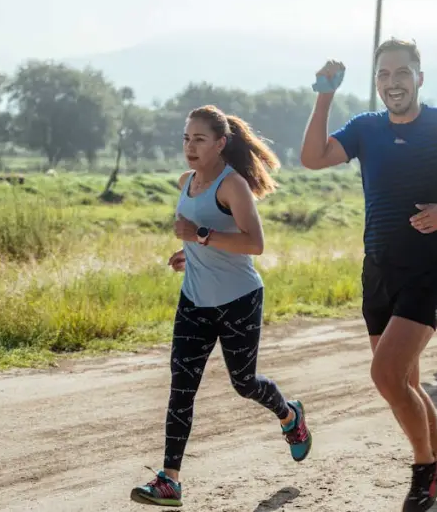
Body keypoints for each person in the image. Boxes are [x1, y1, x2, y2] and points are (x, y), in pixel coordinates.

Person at [300, 39, 437, 512]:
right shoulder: (366, 128)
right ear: (377, 82)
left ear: (419, 77)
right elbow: (313, 157)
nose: (393, 82)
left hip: (431, 269)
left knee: (387, 376)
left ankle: (423, 467)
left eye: (402, 73)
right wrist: (324, 94)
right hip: (378, 270)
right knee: (402, 383)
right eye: (384, 75)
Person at [131, 105, 313, 508]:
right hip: (195, 300)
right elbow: (197, 237)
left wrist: (201, 235)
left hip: (238, 301)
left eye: (199, 139)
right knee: (182, 389)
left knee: (244, 383)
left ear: (220, 143)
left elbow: (254, 244)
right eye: (186, 138)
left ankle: (290, 416)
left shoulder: (233, 187)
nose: (190, 147)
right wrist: (188, 252)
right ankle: (169, 481)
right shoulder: (186, 182)